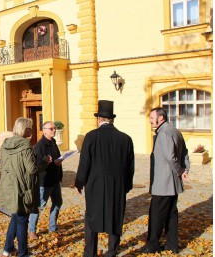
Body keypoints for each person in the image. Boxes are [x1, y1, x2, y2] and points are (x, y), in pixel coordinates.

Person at [74, 100, 135, 257]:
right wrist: (126, 186)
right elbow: (130, 167)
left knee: (92, 216)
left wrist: (79, 182)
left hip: (95, 183)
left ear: (99, 119)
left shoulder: (91, 136)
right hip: (117, 184)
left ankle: (90, 253)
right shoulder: (125, 139)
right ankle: (111, 252)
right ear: (111, 119)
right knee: (115, 216)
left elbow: (85, 162)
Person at [0, 117, 50, 257]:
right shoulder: (25, 145)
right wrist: (45, 162)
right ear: (25, 129)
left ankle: (7, 249)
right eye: (30, 128)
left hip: (9, 186)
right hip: (22, 187)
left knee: (15, 217)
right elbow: (32, 168)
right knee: (22, 220)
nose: (32, 130)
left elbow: (2, 166)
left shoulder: (5, 144)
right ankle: (23, 253)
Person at [142, 107, 190, 254]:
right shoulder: (175, 131)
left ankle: (152, 245)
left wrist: (180, 171)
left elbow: (171, 157)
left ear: (161, 118)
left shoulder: (164, 133)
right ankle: (172, 245)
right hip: (172, 184)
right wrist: (186, 169)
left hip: (163, 183)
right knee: (171, 214)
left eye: (152, 117)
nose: (150, 120)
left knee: (156, 215)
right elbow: (185, 153)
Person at [28, 121, 63, 240]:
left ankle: (52, 227)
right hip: (44, 181)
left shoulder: (53, 142)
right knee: (39, 206)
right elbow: (37, 165)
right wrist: (51, 163)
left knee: (58, 202)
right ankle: (31, 230)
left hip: (55, 180)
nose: (54, 130)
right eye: (51, 128)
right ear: (44, 130)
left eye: (55, 128)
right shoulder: (40, 146)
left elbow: (56, 159)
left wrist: (58, 164)